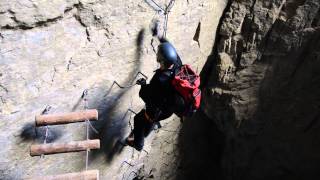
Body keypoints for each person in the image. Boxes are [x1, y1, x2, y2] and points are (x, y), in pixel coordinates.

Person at [125, 40, 184, 151]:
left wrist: (143, 85)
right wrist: (160, 37)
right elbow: (172, 49)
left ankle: (138, 144)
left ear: (160, 59)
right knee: (150, 118)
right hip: (169, 109)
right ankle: (148, 129)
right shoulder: (177, 64)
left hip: (159, 109)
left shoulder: (159, 79)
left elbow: (146, 96)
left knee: (139, 119)